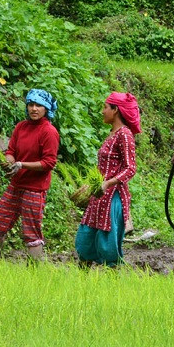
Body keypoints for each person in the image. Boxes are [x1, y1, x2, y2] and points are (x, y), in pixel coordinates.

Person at [0, 89, 60, 260]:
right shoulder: (21, 127)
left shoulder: (49, 132)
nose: (34, 109)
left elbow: (49, 163)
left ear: (46, 109)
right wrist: (10, 161)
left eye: (39, 106)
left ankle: (34, 273)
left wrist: (21, 164)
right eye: (31, 105)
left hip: (35, 189)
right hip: (16, 186)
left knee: (31, 233)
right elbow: (11, 150)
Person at [75, 92, 139, 267]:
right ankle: (80, 284)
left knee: (108, 242)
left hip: (113, 198)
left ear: (115, 110)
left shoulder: (124, 135)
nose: (102, 111)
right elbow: (104, 167)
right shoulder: (112, 133)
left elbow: (130, 168)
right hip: (99, 196)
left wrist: (109, 183)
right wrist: (91, 184)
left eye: (105, 107)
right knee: (86, 237)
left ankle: (112, 282)